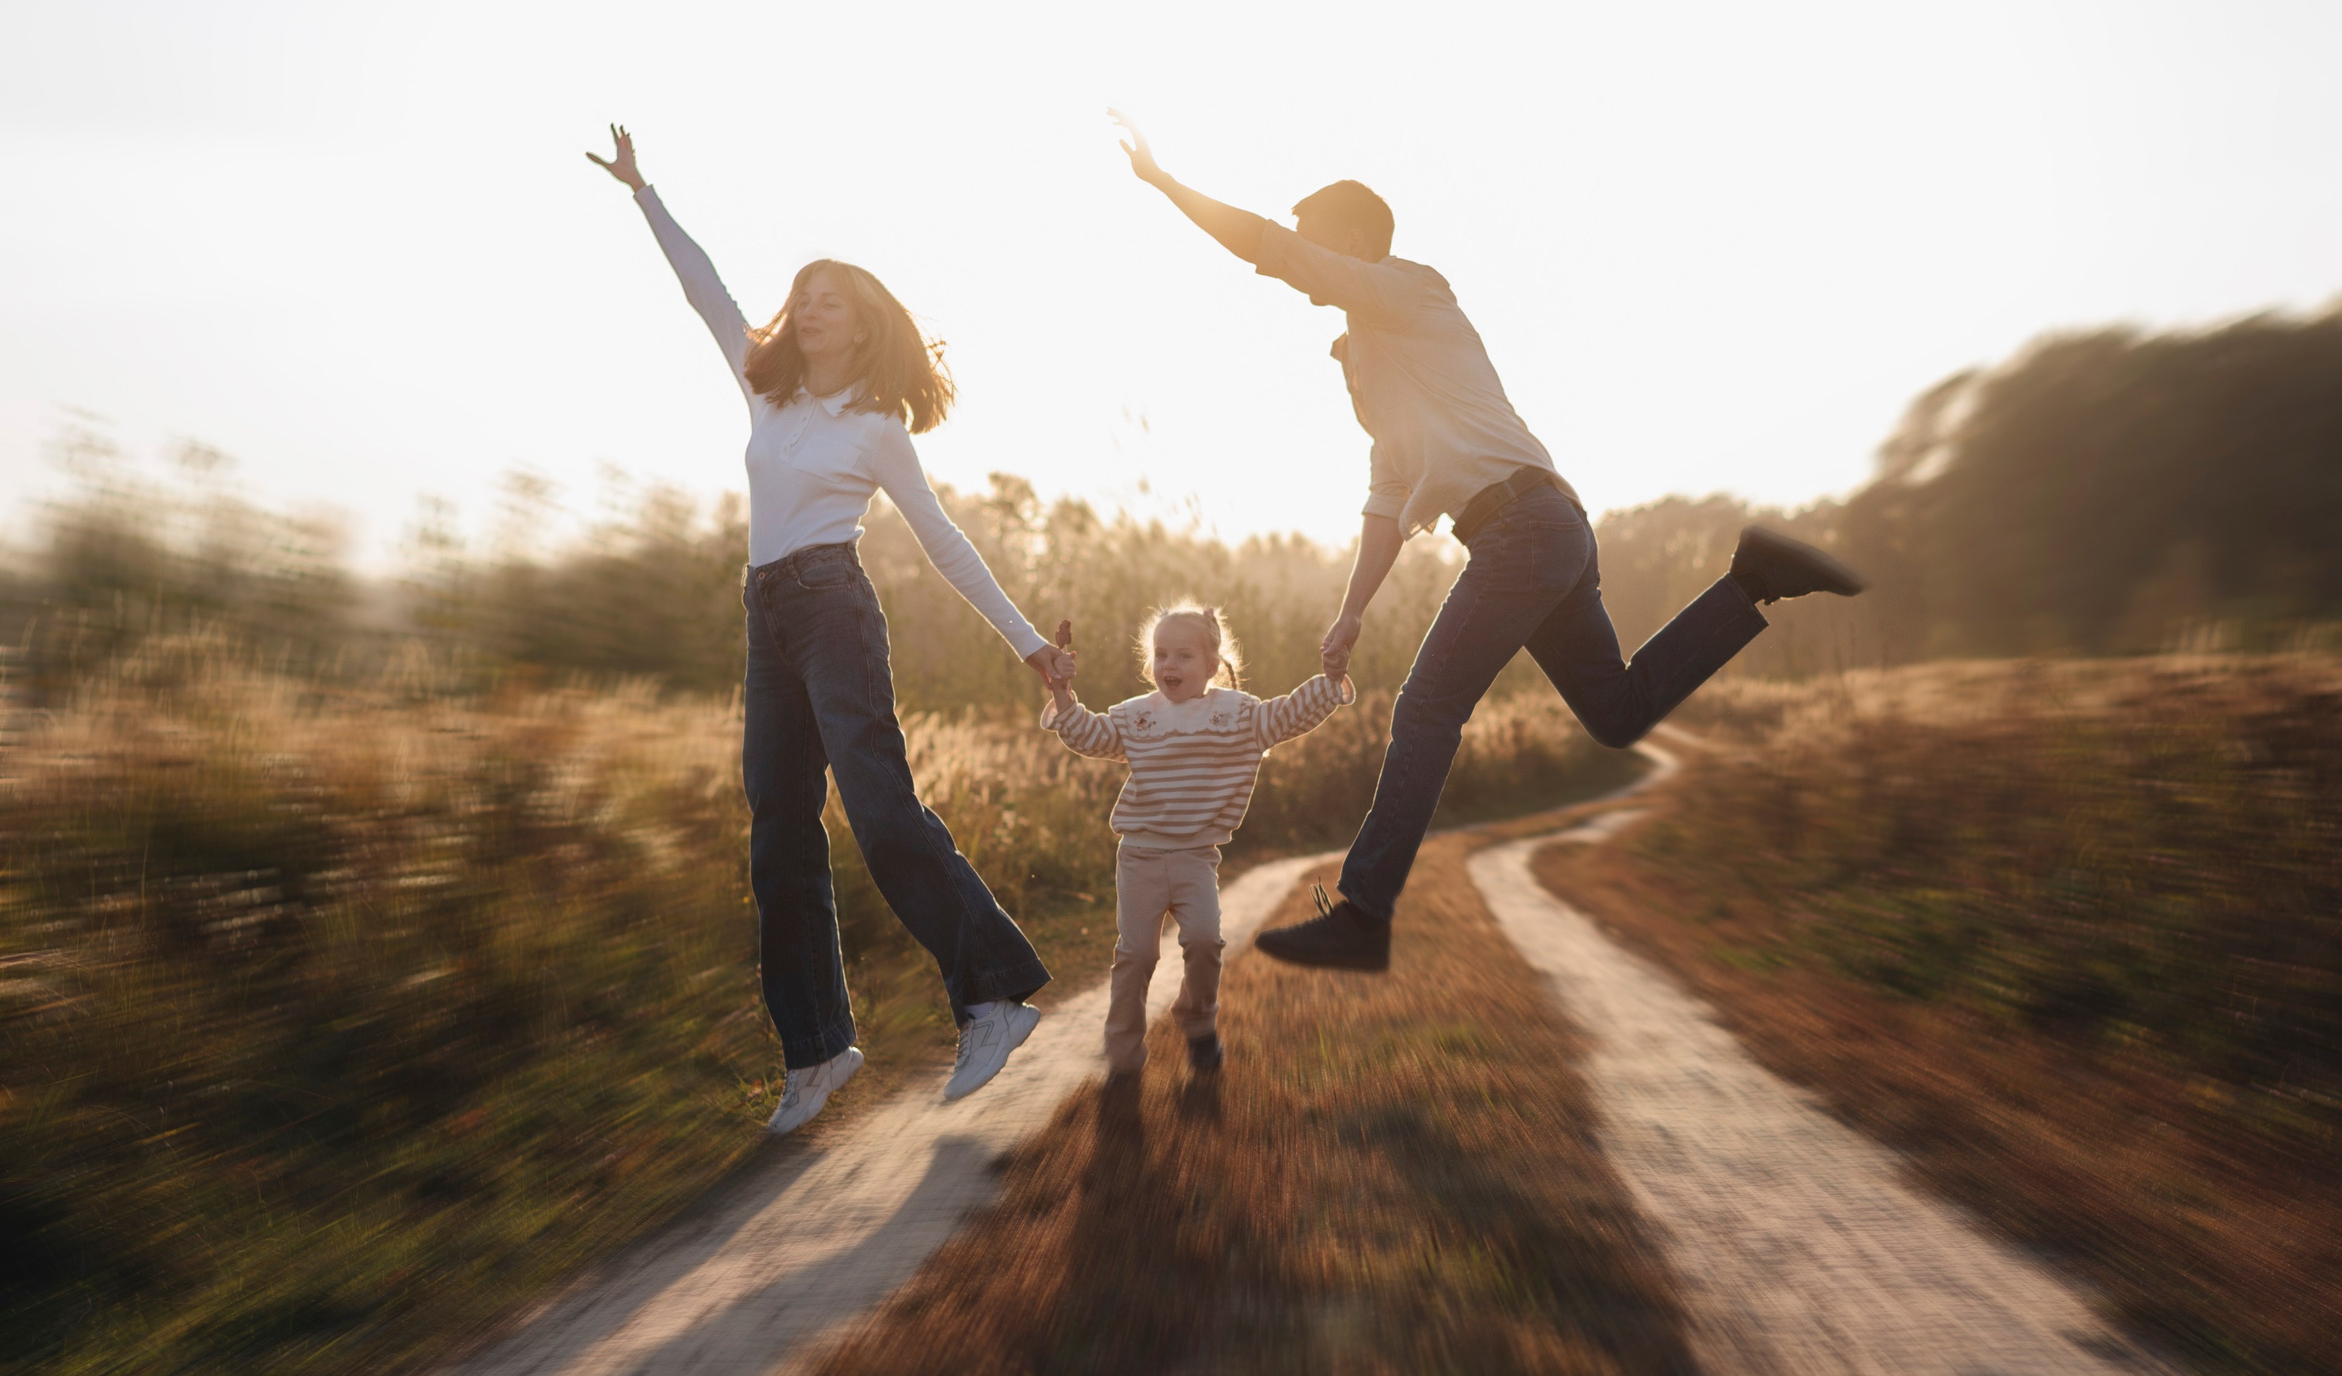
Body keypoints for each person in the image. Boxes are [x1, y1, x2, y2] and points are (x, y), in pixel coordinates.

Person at [1108, 111, 1866, 972]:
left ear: (1356, 241)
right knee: (1615, 712)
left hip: (1526, 529)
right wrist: (1351, 611)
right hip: (1545, 533)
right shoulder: (1368, 365)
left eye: (1317, 241)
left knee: (1426, 707)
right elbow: (1387, 498)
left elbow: (1274, 251)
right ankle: (1752, 580)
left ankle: (1365, 915)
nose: (1303, 257)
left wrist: (1167, 184)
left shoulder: (1409, 288)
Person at [588, 124, 1065, 1132]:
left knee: (881, 808)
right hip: (766, 614)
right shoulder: (767, 390)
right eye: (801, 297)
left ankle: (990, 996)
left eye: (828, 299)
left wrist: (1026, 642)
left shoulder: (875, 428)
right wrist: (644, 192)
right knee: (778, 835)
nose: (808, 310)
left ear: (861, 322)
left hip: (833, 608)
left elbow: (942, 542)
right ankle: (816, 1051)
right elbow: (704, 290)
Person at [1038, 605, 1352, 1073]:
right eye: (1161, 655)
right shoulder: (1136, 717)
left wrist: (1329, 681)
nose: (1169, 665)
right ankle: (1123, 1051)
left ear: (1212, 664)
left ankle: (1197, 1019)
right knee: (1137, 954)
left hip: (1195, 858)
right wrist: (1063, 692)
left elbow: (1288, 716)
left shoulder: (1238, 714)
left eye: (1184, 656)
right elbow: (1089, 736)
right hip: (1140, 855)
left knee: (1205, 942)